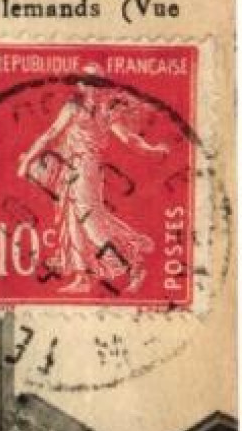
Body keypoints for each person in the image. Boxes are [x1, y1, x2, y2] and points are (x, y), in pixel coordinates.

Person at [15, 67, 170, 294]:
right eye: (88, 83)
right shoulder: (75, 107)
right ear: (81, 86)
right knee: (73, 220)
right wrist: (27, 159)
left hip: (86, 170)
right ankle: (83, 277)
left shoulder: (105, 113)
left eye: (96, 84)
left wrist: (152, 149)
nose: (92, 88)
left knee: (91, 223)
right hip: (73, 167)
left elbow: (129, 138)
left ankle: (133, 265)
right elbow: (51, 133)